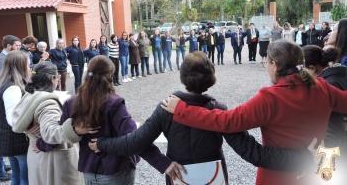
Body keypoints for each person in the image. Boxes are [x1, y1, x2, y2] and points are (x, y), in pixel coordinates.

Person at [89, 52, 313, 185]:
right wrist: (302, 158)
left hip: (178, 174)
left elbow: (135, 142)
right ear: (211, 78)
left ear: (183, 77)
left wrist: (101, 143)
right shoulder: (219, 111)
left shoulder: (167, 107)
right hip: (213, 175)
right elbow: (251, 152)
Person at [162, 40, 347, 185]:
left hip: (276, 176)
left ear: (274, 64)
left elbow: (228, 121)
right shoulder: (322, 87)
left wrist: (182, 110)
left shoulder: (271, 97)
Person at [62, 56, 179, 184]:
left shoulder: (71, 102)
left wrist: (42, 143)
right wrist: (163, 163)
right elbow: (135, 139)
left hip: (88, 170)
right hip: (115, 170)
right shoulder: (114, 103)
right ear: (110, 75)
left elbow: (60, 133)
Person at [11, 62, 85, 185]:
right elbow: (50, 132)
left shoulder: (30, 95)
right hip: (53, 161)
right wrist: (75, 128)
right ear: (52, 78)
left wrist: (28, 131)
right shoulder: (47, 103)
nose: (59, 80)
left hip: (37, 157)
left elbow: (20, 120)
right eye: (58, 76)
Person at [303, 45, 347, 182]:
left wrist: (327, 162)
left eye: (300, 69)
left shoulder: (327, 86)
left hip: (337, 146)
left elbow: (332, 127)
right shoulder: (341, 72)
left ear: (311, 68)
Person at [0, 51, 30, 185]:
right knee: (24, 179)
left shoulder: (7, 83)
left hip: (12, 139)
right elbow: (13, 119)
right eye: (27, 65)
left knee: (17, 177)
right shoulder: (13, 88)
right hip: (16, 139)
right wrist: (31, 128)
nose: (29, 67)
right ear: (20, 66)